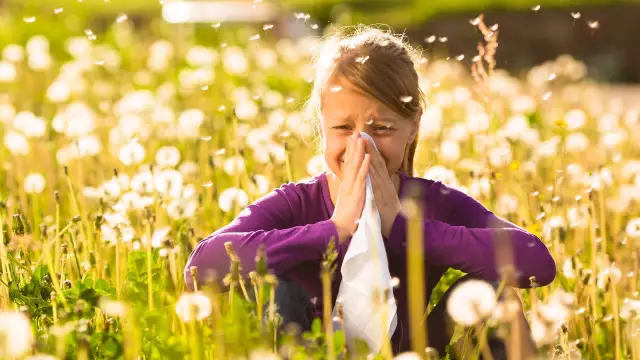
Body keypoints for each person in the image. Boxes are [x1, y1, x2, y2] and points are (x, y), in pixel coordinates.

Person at [184, 26, 557, 357]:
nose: (361, 145)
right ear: (322, 126)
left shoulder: (432, 203)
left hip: (411, 353)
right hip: (307, 351)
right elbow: (201, 267)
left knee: (497, 296)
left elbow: (537, 262)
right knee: (277, 290)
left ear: (413, 128)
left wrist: (406, 227)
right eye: (343, 128)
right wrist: (333, 231)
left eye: (381, 129)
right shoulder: (297, 202)